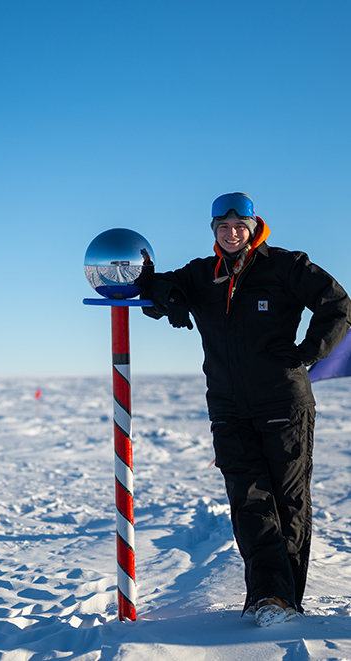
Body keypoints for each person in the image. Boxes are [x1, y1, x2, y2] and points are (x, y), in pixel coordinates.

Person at [141, 192, 351, 627]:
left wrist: (310, 351)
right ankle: (270, 598)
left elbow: (337, 305)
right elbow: (157, 286)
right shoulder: (203, 274)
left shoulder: (285, 266)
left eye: (240, 225)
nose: (232, 232)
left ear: (254, 227)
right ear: (214, 230)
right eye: (223, 226)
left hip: (284, 402)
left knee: (287, 501)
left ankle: (281, 599)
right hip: (228, 406)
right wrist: (171, 298)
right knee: (248, 501)